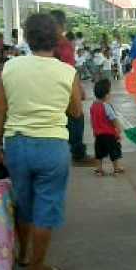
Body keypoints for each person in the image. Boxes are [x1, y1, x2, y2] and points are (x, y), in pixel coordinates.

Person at [0, 13, 82, 270]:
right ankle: (37, 265)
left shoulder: (10, 67)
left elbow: (0, 109)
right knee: (47, 206)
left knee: (23, 202)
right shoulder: (67, 72)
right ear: (55, 39)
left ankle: (22, 256)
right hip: (52, 146)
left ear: (28, 38)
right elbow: (75, 112)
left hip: (17, 145)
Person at [51, 9, 90, 164]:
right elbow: (69, 70)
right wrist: (78, 88)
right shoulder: (63, 43)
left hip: (51, 86)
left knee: (63, 119)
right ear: (62, 24)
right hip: (65, 86)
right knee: (76, 116)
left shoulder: (45, 42)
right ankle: (78, 153)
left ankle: (66, 150)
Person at [90, 79, 124, 176]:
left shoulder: (93, 106)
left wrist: (94, 130)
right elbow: (113, 119)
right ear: (106, 95)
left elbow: (93, 120)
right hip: (109, 134)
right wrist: (119, 128)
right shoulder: (106, 106)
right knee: (114, 151)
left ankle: (99, 169)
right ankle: (116, 168)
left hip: (98, 134)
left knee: (99, 152)